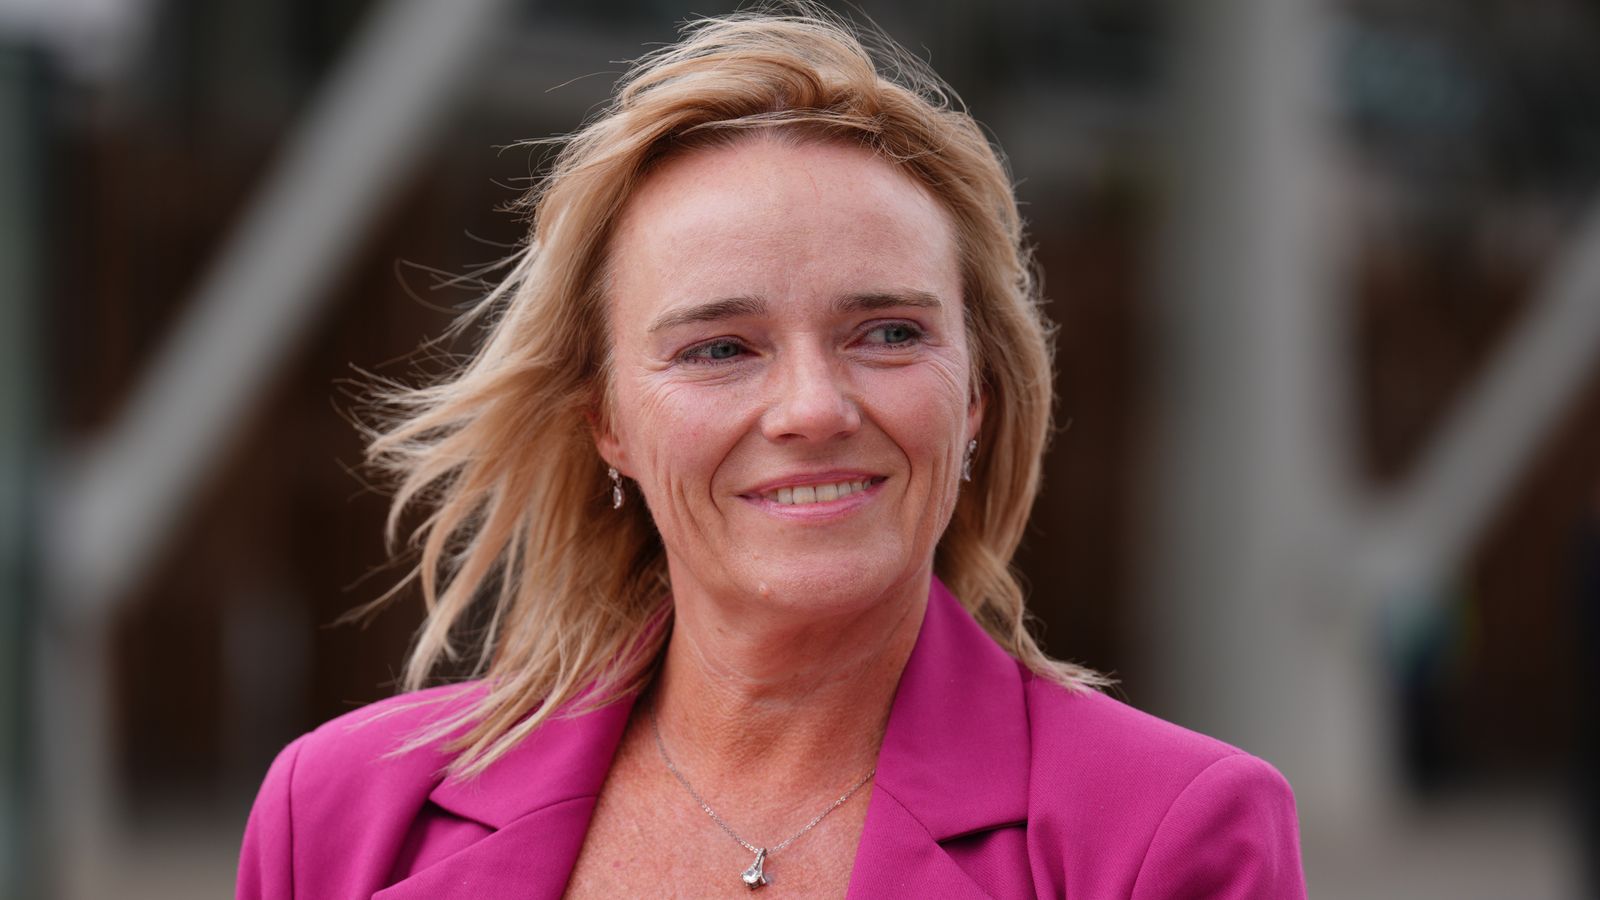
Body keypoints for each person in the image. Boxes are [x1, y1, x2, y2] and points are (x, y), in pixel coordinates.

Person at [237, 8, 1306, 898]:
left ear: (976, 394)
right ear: (606, 418)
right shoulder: (338, 817)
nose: (810, 407)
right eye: (719, 348)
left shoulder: (1168, 834)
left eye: (887, 332)